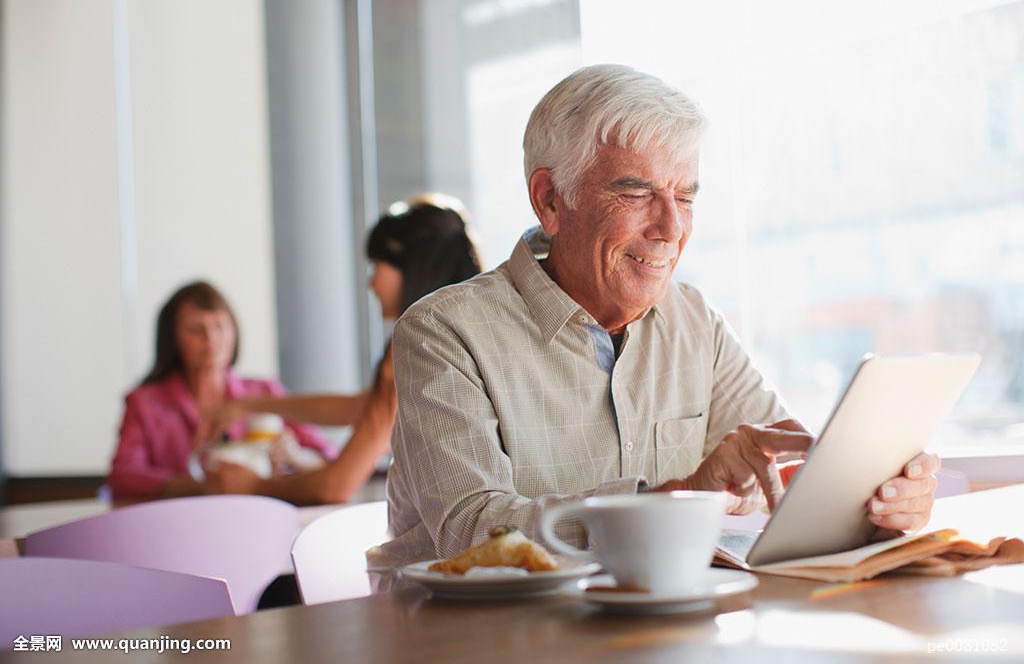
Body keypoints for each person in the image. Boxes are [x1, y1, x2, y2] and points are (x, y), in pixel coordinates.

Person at [374, 64, 940, 569]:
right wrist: (675, 498)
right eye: (637, 193)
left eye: (685, 197)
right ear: (550, 201)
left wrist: (868, 499)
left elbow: (783, 469)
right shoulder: (444, 332)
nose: (671, 228)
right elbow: (472, 536)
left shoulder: (693, 319)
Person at [196, 195, 484, 504]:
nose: (371, 283)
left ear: (410, 267)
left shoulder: (416, 347)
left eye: (376, 265)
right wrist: (252, 405)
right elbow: (361, 407)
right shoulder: (460, 332)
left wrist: (251, 486)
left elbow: (335, 486)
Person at [107, 281, 333, 499]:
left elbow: (330, 458)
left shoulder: (265, 392)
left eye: (220, 326)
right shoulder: (144, 403)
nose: (211, 339)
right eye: (195, 329)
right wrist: (198, 486)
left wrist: (295, 457)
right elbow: (123, 476)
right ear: (172, 339)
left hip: (260, 515)